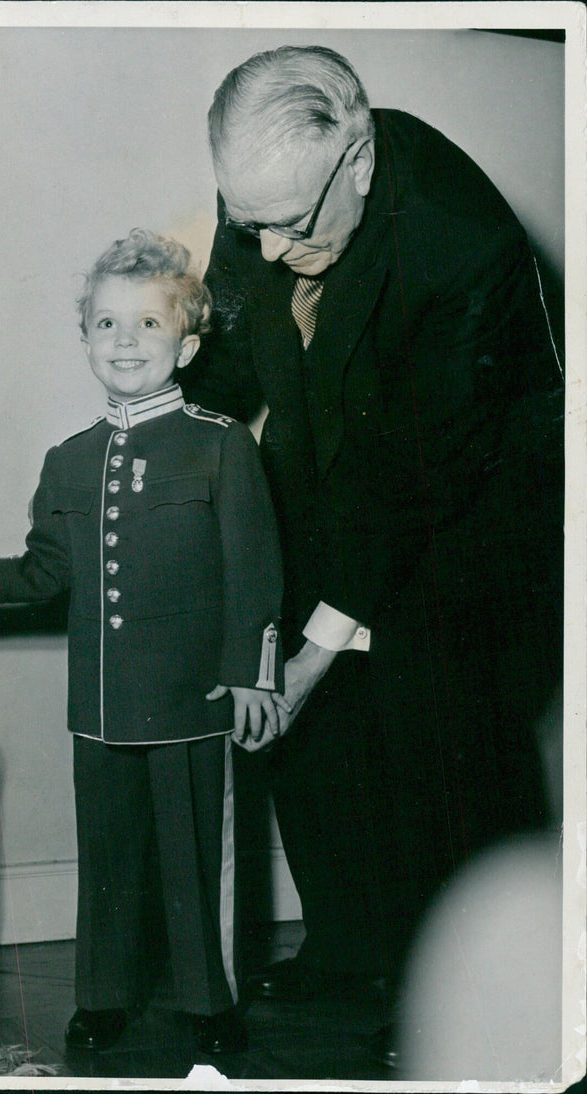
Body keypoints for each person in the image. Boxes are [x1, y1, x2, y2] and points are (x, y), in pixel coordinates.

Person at [181, 45, 564, 1025]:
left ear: (355, 159)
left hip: (472, 506)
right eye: (245, 223)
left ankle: (468, 996)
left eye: (286, 226)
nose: (263, 251)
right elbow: (234, 351)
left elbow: (415, 473)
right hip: (336, 464)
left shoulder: (457, 239)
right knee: (294, 712)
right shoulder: (274, 199)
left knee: (437, 729)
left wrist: (324, 637)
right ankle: (348, 952)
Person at [0, 229, 285, 1055]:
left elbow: (255, 570)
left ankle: (211, 1000)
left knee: (196, 855)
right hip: (101, 702)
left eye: (149, 325)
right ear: (85, 338)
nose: (125, 342)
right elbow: (44, 571)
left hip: (196, 696)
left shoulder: (221, 444)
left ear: (189, 344)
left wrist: (252, 676)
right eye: (106, 325)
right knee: (110, 859)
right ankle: (104, 995)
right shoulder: (69, 461)